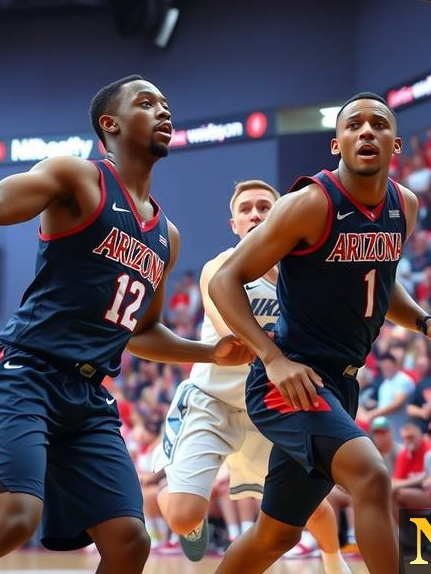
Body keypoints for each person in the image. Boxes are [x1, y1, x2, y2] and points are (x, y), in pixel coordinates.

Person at [0, 74, 251, 574]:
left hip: (89, 399)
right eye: (146, 103)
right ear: (109, 125)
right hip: (20, 376)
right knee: (14, 518)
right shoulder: (77, 177)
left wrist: (209, 351)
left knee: (130, 541)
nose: (163, 111)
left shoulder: (167, 235)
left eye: (166, 103)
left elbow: (140, 332)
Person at [208, 92, 431, 574]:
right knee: (371, 476)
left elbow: (383, 282)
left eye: (378, 124)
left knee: (277, 534)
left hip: (342, 384)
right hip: (290, 382)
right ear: (337, 144)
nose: (366, 131)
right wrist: (272, 357)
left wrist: (429, 324)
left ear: (396, 145)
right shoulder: (308, 204)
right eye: (354, 125)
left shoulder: (403, 206)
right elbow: (227, 279)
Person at [152, 180, 349, 573]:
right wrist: (275, 349)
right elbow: (225, 324)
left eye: (264, 207)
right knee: (183, 514)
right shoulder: (221, 267)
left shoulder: (305, 279)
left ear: (281, 216)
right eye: (246, 209)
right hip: (214, 401)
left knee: (307, 507)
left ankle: (333, 560)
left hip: (272, 408)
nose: (255, 214)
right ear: (234, 224)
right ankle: (179, 512)